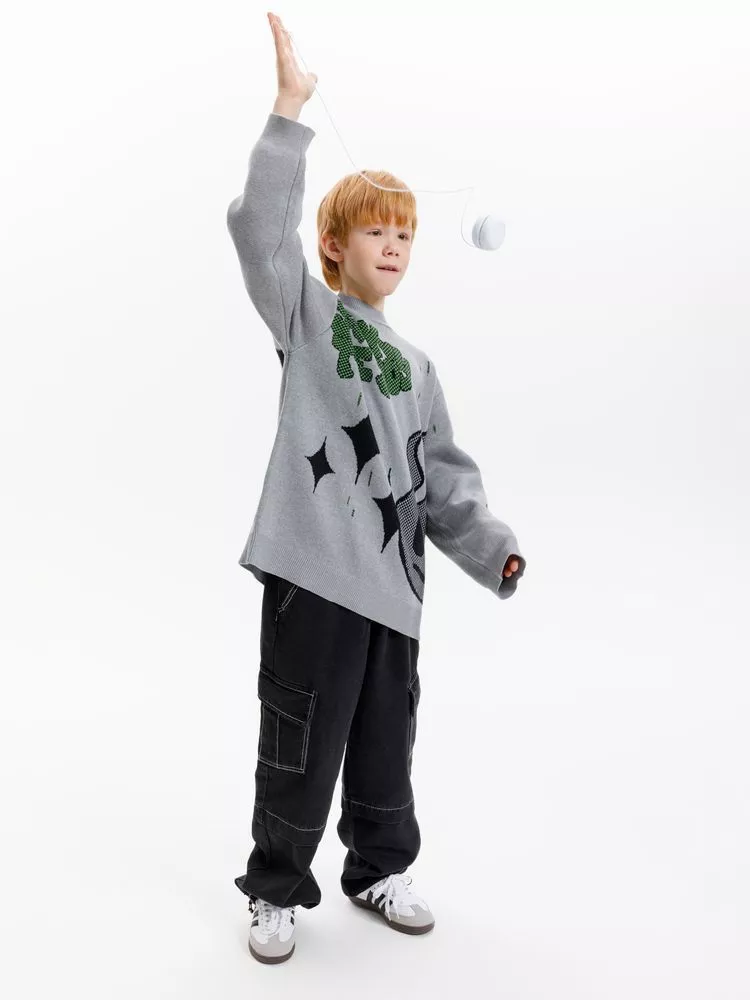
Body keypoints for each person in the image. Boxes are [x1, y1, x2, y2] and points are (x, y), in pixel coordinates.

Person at [226, 11, 527, 964]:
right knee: (301, 740)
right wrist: (289, 112)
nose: (394, 244)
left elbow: (444, 481)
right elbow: (257, 233)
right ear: (334, 242)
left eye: (405, 233)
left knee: (387, 746)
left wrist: (494, 548)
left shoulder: (420, 366)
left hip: (394, 594)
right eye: (376, 229)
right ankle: (276, 887)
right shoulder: (308, 316)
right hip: (315, 573)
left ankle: (378, 869)